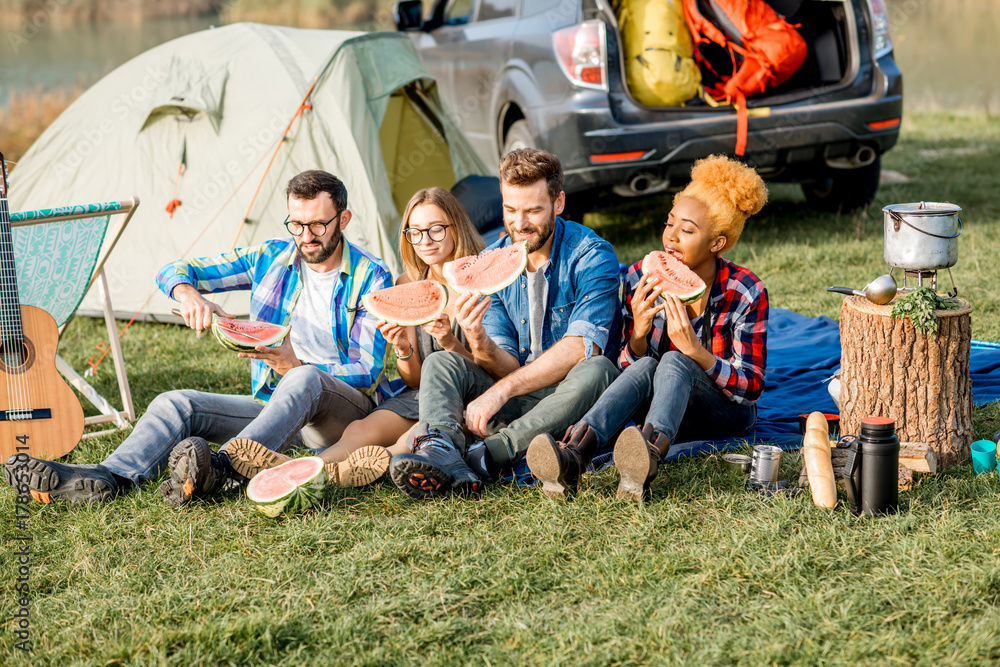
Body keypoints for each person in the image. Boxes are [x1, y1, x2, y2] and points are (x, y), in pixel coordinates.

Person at [4, 171, 395, 506]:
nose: (305, 236)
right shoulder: (271, 257)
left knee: (304, 378)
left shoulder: (373, 277)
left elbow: (367, 371)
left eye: (317, 225)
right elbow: (173, 269)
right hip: (274, 408)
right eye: (295, 224)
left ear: (342, 219)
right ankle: (110, 477)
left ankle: (222, 469)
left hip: (341, 414)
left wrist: (298, 366)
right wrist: (187, 293)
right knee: (176, 403)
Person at [525, 155, 769, 501]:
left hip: (724, 414)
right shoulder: (641, 275)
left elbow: (751, 389)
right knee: (649, 363)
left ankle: (648, 457)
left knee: (675, 360)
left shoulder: (746, 291)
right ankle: (574, 454)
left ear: (717, 243)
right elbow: (629, 372)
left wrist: (696, 353)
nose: (671, 237)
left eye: (687, 230)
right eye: (669, 224)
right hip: (661, 406)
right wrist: (637, 334)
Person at [389, 148, 621, 499]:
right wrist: (479, 338)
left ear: (558, 203)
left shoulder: (591, 255)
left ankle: (487, 455)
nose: (520, 223)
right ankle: (439, 449)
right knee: (441, 361)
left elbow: (580, 347)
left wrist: (501, 391)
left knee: (598, 368)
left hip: (570, 398)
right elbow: (506, 363)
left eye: (533, 210)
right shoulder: (490, 261)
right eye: (510, 210)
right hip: (516, 398)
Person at [225, 187, 486, 481]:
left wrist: (449, 341)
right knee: (360, 431)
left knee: (415, 435)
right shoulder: (406, 283)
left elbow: (490, 365)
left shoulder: (483, 279)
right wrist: (402, 348)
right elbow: (415, 379)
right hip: (420, 393)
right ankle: (299, 472)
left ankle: (363, 465)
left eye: (436, 230)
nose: (424, 241)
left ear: (457, 227)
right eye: (415, 232)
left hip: (473, 394)